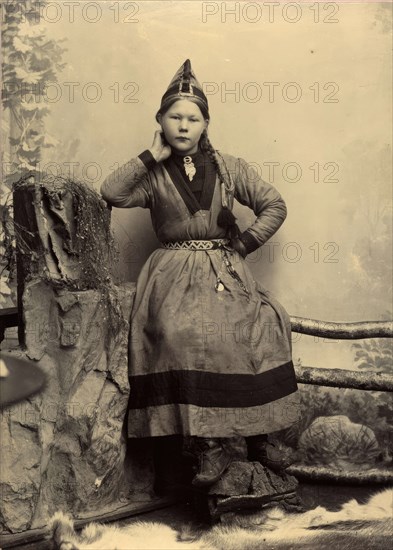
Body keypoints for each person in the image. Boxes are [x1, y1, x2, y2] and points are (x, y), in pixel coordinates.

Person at [100, 60, 300, 488]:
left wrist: (243, 244)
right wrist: (149, 156)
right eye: (175, 117)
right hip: (172, 274)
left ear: (206, 124)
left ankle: (259, 440)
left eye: (193, 118)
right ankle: (207, 448)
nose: (184, 125)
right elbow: (110, 192)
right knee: (184, 334)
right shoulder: (153, 174)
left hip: (226, 270)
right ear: (160, 121)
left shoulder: (230, 167)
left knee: (259, 328)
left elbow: (274, 206)